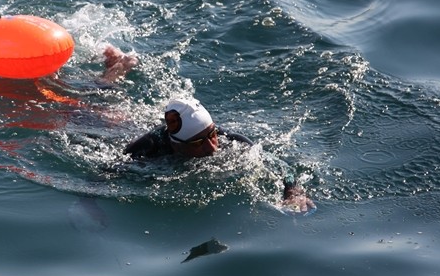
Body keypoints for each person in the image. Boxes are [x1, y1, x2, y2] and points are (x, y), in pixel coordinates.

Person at [113, 81, 315, 213]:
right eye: (198, 142)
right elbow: (103, 177)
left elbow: (282, 167)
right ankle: (112, 74)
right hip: (123, 128)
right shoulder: (145, 149)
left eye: (212, 135)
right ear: (177, 144)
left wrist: (294, 192)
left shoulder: (231, 139)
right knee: (107, 115)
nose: (211, 147)